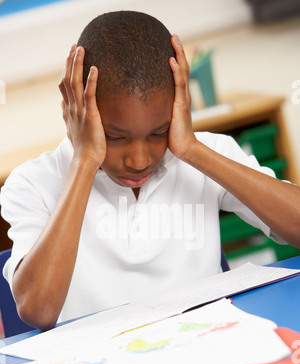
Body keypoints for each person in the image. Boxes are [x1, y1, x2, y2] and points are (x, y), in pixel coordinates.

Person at [1, 11, 300, 331]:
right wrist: (84, 162)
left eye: (159, 132)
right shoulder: (31, 183)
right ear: (74, 108)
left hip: (205, 349)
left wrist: (193, 150)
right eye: (115, 136)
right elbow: (38, 310)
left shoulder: (208, 154)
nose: (139, 159)